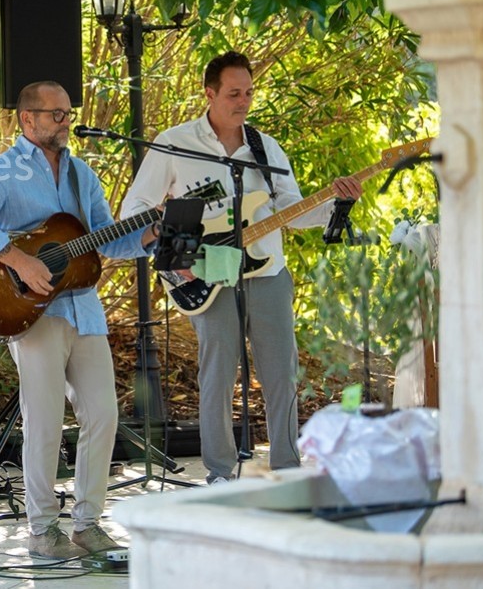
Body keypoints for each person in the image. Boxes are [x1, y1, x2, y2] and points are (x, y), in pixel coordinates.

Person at [119, 51, 361, 484]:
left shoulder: (264, 148)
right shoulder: (175, 144)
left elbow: (291, 208)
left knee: (281, 374)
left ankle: (287, 470)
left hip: (267, 272)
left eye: (249, 92)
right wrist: (176, 247)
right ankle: (219, 474)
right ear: (209, 93)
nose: (243, 101)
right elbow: (134, 208)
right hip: (208, 272)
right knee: (217, 375)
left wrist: (334, 204)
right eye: (233, 93)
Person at [0, 81, 158, 559]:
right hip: (29, 312)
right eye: (57, 113)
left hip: (84, 309)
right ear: (28, 120)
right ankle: (43, 529)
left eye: (68, 112)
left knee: (103, 415)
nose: (66, 121)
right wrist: (19, 261)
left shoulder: (83, 175)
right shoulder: (6, 169)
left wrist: (147, 233)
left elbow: (105, 239)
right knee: (43, 422)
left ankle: (87, 523)